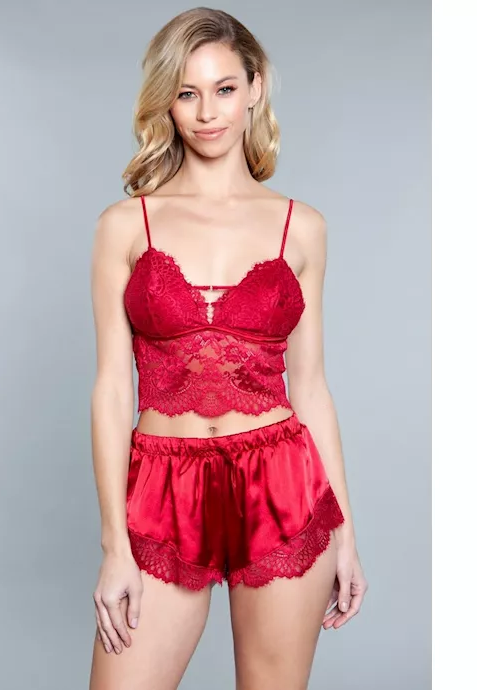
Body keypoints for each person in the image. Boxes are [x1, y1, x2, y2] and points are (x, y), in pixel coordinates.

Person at [88, 7, 368, 690]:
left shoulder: (301, 227)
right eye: (187, 93)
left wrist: (347, 536)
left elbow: (310, 387)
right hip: (162, 485)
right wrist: (115, 546)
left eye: (224, 89)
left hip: (281, 484)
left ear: (255, 88)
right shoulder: (125, 224)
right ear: (167, 102)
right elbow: (112, 389)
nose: (208, 112)